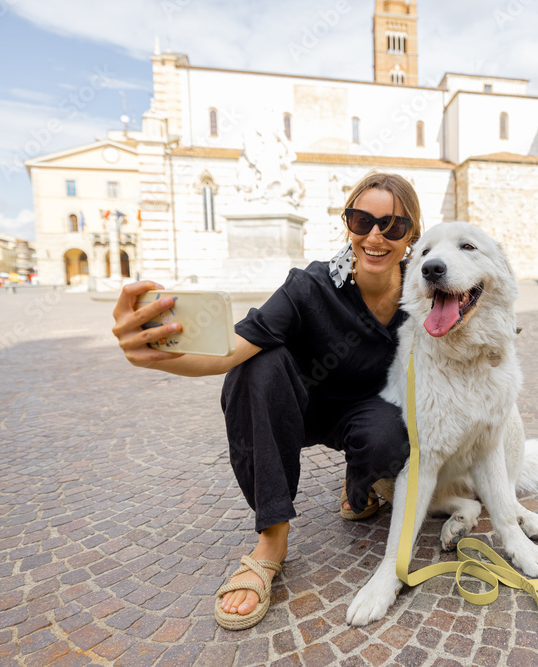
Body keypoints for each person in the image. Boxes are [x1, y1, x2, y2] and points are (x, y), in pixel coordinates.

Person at [110, 172, 421, 630]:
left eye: (392, 226)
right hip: (296, 403)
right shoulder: (310, 285)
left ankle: (360, 478)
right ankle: (271, 539)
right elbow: (229, 351)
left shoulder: (424, 292)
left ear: (411, 235)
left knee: (388, 440)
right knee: (256, 365)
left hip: (368, 410)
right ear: (347, 224)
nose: (375, 235)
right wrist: (154, 356)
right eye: (361, 220)